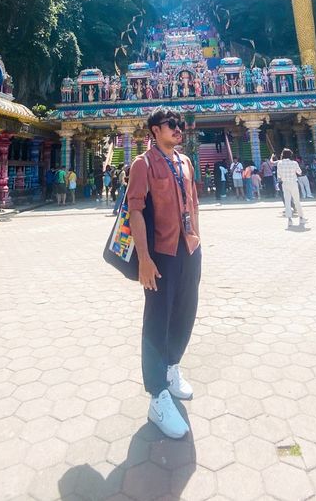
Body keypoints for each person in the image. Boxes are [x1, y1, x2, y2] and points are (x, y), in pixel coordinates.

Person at [126, 108, 201, 440]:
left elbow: (193, 204)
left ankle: (172, 368)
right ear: (155, 130)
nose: (178, 129)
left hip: (189, 248)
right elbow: (136, 211)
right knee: (157, 319)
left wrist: (197, 242)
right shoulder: (142, 164)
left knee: (186, 311)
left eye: (180, 125)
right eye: (172, 125)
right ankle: (157, 396)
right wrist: (144, 257)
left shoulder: (185, 162)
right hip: (161, 253)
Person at [277, 148, 305, 228]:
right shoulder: (294, 163)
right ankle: (301, 217)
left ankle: (289, 219)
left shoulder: (280, 163)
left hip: (285, 183)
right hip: (293, 183)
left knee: (287, 202)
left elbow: (279, 175)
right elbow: (299, 172)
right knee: (297, 201)